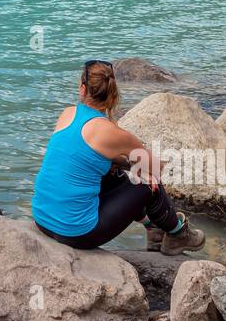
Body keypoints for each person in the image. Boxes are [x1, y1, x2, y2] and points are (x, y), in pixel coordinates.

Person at [30, 61, 205, 255]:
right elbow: (155, 168)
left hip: (42, 219)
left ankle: (153, 230)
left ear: (82, 89)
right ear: (113, 94)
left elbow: (81, 157)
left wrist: (118, 163)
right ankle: (178, 234)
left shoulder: (67, 114)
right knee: (148, 182)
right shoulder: (112, 132)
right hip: (77, 234)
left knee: (110, 172)